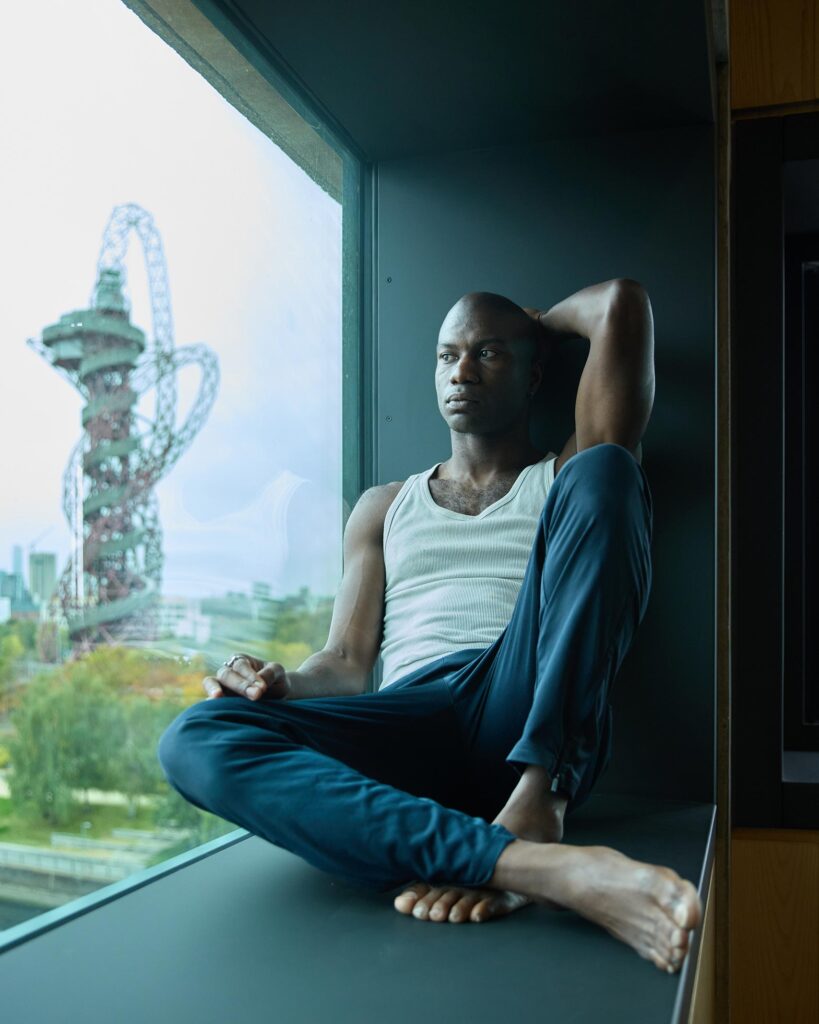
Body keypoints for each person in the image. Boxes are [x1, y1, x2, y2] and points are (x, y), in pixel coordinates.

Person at [158, 279, 702, 975]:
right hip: (411, 716)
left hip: (522, 694)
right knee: (194, 738)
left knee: (609, 471)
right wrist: (280, 681)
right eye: (447, 356)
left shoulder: (559, 474)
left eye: (488, 354)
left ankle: (539, 803)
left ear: (534, 373)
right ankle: (528, 867)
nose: (461, 372)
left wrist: (536, 321)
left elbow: (620, 306)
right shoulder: (383, 507)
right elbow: (347, 662)